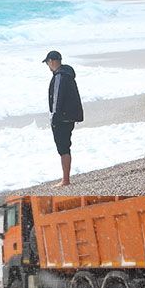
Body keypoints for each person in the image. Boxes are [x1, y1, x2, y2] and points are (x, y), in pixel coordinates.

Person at [43, 51, 83, 187]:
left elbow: (56, 99)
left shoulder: (60, 76)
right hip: (70, 116)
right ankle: (65, 178)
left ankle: (65, 180)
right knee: (65, 147)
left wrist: (53, 117)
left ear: (52, 61)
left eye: (48, 63)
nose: (48, 66)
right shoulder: (68, 74)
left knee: (63, 148)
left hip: (62, 118)